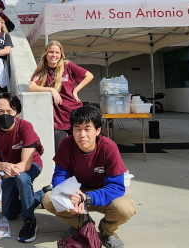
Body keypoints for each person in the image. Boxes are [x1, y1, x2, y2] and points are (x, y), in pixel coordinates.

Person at [42, 105, 137, 248]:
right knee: (48, 199)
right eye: (77, 129)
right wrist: (70, 195)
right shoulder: (66, 145)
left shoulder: (108, 147)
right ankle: (83, 224)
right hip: (76, 192)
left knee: (125, 208)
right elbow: (58, 178)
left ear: (98, 130)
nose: (82, 134)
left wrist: (87, 198)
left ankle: (107, 231)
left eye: (87, 129)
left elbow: (116, 187)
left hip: (101, 192)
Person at [0, 93, 46, 243]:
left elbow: (26, 164)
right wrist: (3, 167)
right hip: (8, 169)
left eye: (9, 111)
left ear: (17, 111)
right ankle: (41, 195)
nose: (5, 115)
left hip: (31, 165)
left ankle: (30, 222)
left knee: (22, 177)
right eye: (0, 111)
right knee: (8, 213)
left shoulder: (25, 127)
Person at [28, 40, 93, 150]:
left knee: (81, 149)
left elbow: (89, 76)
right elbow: (31, 87)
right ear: (46, 54)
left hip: (75, 115)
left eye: (57, 53)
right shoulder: (42, 71)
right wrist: (51, 90)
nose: (54, 55)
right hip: (58, 120)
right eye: (51, 52)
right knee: (60, 151)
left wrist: (76, 90)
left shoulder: (68, 66)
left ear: (61, 54)